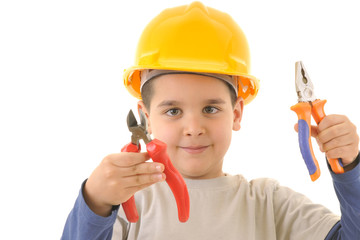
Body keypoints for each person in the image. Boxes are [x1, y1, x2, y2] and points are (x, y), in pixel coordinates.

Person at [62, 2, 360, 239]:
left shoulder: (270, 204)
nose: (194, 128)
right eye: (173, 111)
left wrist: (351, 169)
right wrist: (95, 202)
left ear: (237, 113)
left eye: (210, 109)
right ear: (145, 117)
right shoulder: (128, 208)